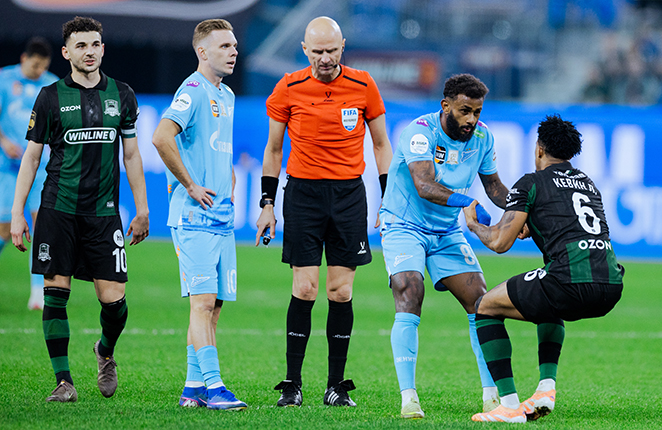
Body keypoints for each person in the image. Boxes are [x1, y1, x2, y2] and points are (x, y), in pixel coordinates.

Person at [10, 16, 149, 403]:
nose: (89, 51)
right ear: (67, 52)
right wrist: (18, 212)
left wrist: (142, 208)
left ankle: (105, 350)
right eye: (81, 45)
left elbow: (132, 155)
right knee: (56, 294)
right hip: (58, 209)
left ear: (103, 48)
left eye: (95, 44)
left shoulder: (122, 94)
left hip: (104, 214)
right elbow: (31, 158)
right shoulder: (50, 97)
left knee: (115, 302)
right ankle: (64, 381)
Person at [256, 16, 393, 408]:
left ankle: (336, 386)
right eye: (317, 51)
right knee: (304, 288)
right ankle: (292, 384)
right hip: (303, 195)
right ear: (304, 49)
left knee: (341, 291)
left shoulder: (364, 85)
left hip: (349, 196)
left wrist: (387, 198)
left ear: (343, 46)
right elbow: (273, 150)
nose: (325, 58)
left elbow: (381, 145)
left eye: (332, 50)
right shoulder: (288, 87)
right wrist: (267, 204)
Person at [466, 114, 624, 423]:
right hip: (610, 284)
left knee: (485, 306)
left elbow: (499, 242)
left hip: (570, 282)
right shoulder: (588, 184)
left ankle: (509, 406)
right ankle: (545, 389)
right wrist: (532, 224)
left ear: (539, 148)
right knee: (548, 298)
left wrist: (474, 226)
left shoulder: (531, 183)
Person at [379, 73, 507, 419]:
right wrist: (467, 201)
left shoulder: (482, 137)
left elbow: (494, 187)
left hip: (446, 231)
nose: (472, 120)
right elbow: (424, 185)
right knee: (410, 289)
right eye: (465, 111)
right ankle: (409, 398)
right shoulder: (420, 133)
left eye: (477, 112)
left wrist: (521, 210)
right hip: (404, 224)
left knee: (482, 302)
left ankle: (492, 397)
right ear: (446, 106)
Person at [151, 18, 246, 411]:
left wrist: (230, 180)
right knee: (202, 302)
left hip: (220, 216)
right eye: (224, 46)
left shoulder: (227, 95)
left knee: (214, 306)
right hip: (193, 217)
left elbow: (217, 147)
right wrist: (190, 184)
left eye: (234, 46)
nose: (233, 52)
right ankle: (216, 386)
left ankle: (193, 388)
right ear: (202, 52)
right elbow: (161, 137)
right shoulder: (192, 90)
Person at [0, 37, 57, 310]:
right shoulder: (4, 79)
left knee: (40, 226)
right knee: (4, 228)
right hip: (7, 167)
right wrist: (4, 142)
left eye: (43, 66)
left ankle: (38, 293)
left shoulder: (52, 84)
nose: (39, 71)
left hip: (40, 167)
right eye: (35, 66)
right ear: (24, 59)